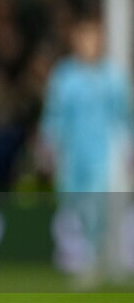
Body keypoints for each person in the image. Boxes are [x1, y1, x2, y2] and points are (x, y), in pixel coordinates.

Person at [40, 16, 132, 286]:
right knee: (75, 203)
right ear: (75, 42)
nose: (88, 44)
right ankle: (93, 256)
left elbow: (124, 116)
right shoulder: (64, 75)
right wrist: (49, 144)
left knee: (102, 204)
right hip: (72, 152)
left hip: (105, 151)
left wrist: (129, 148)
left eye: (93, 38)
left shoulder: (113, 76)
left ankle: (100, 260)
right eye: (83, 38)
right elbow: (54, 114)